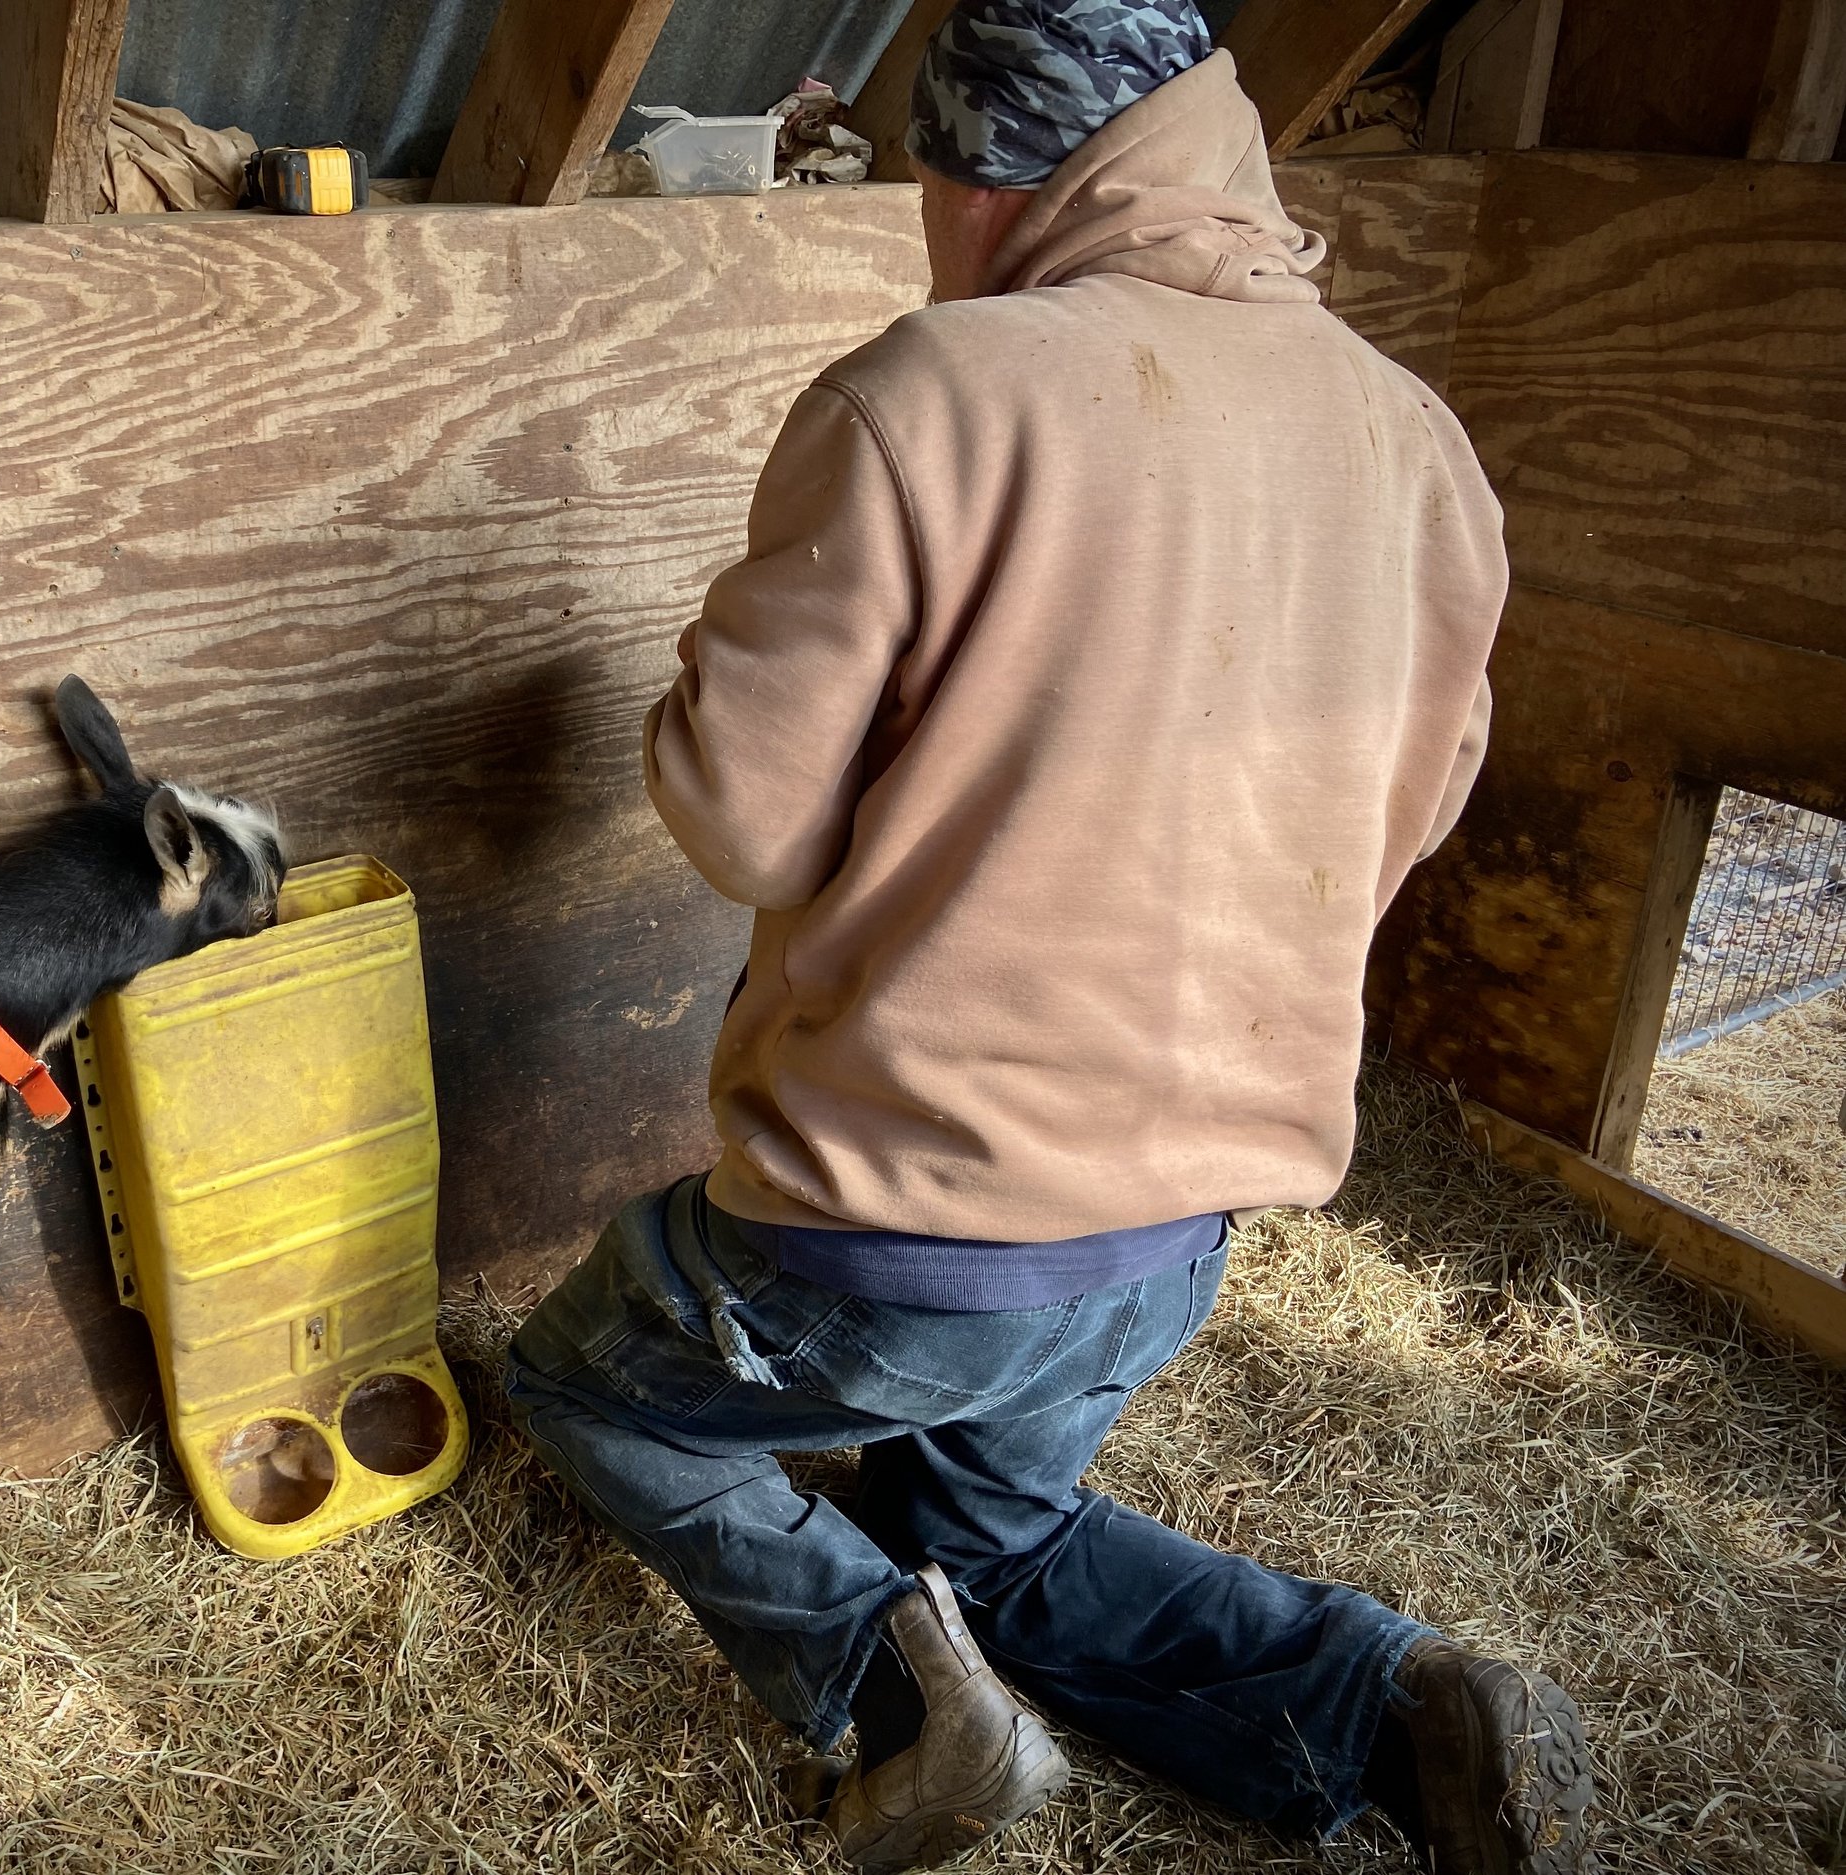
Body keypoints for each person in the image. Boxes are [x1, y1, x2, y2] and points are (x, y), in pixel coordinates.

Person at [504, 4, 1597, 1872]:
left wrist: (708, 663)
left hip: (888, 1238)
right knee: (985, 1537)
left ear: (983, 180)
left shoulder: (931, 391)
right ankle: (1382, 1702)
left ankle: (899, 1703)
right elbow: (1402, 818)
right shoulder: (1418, 445)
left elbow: (745, 814)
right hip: (1170, 1249)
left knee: (586, 1388)